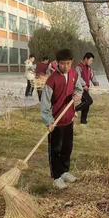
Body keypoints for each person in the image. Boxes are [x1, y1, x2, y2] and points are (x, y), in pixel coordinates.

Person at [41, 49, 83, 190]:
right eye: (63, 64)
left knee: (67, 148)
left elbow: (79, 89)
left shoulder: (73, 74)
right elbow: (45, 104)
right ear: (57, 63)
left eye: (68, 63)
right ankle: (56, 177)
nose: (66, 66)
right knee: (55, 149)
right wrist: (48, 121)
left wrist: (77, 95)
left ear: (72, 63)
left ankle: (65, 171)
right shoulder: (52, 80)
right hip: (56, 121)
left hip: (68, 119)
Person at [75, 52, 100, 125]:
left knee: (86, 105)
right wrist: (84, 85)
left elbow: (92, 76)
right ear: (86, 59)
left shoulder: (89, 68)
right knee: (89, 101)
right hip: (80, 89)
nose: (91, 62)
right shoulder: (78, 67)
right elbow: (78, 78)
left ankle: (83, 121)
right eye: (91, 60)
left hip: (86, 89)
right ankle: (74, 109)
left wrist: (96, 83)